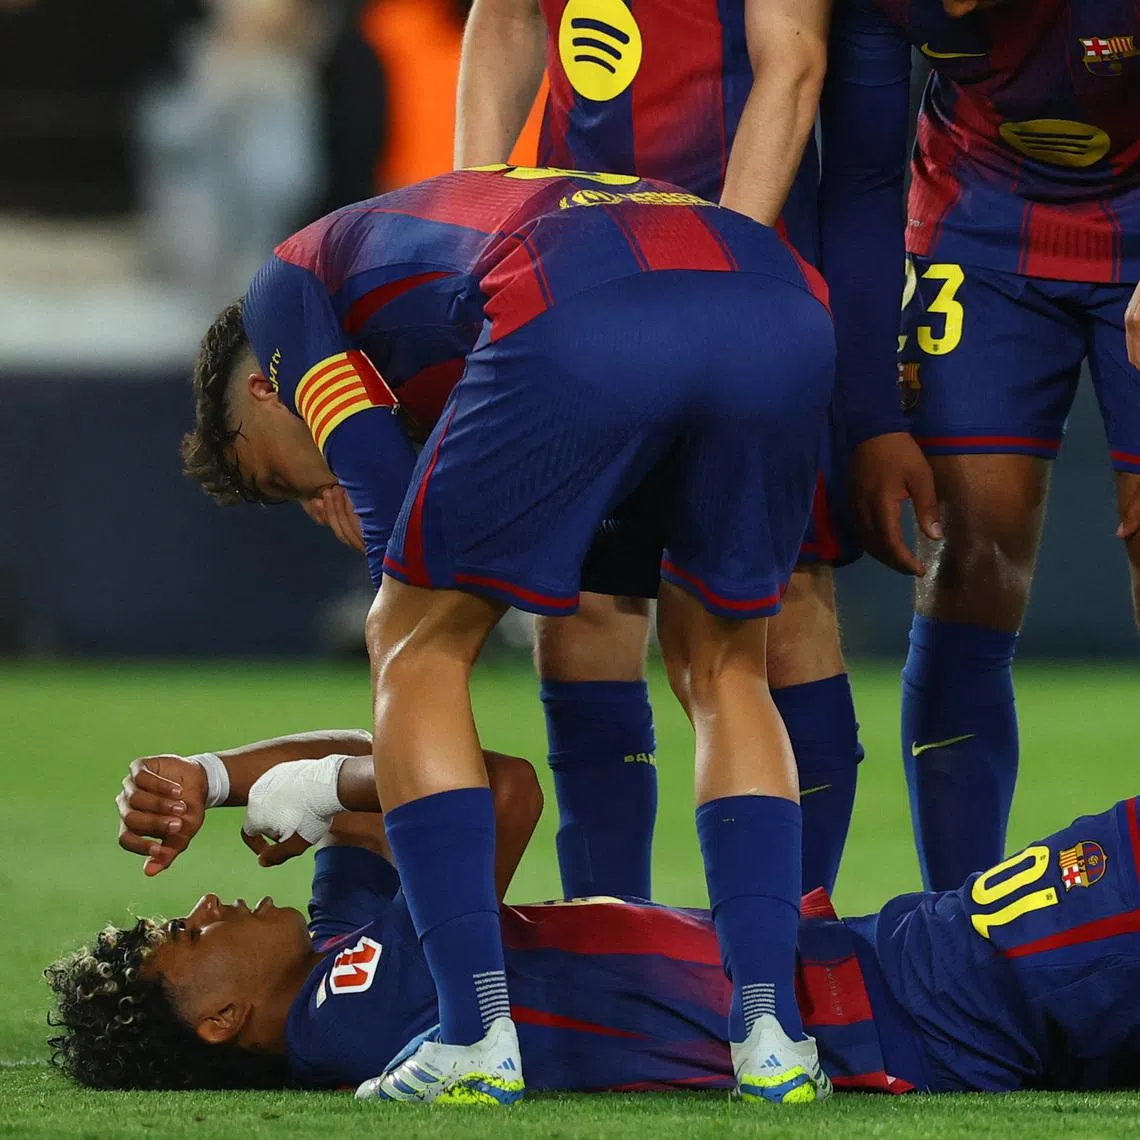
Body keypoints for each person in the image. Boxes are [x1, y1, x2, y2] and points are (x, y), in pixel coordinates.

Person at [179, 165, 836, 1104]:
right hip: (779, 299)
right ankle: (772, 1037)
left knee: (413, 642)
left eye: (283, 478)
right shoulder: (415, 302)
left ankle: (474, 1037)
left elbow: (370, 476)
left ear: (261, 391)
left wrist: (401, 614)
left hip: (586, 301)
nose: (310, 494)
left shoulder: (286, 287)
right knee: (725, 664)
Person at [51, 736, 1140, 1096]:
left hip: (888, 979)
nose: (201, 906)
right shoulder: (356, 1014)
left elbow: (418, 755)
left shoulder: (350, 960)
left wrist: (226, 776)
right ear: (219, 1021)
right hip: (910, 1000)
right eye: (184, 940)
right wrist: (332, 786)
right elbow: (499, 791)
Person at [453, 0, 863, 904]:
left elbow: (790, 68)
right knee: (585, 606)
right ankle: (612, 940)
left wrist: (722, 270)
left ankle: (798, 948)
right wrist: (478, 211)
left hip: (747, 255)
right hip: (577, 266)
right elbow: (510, 19)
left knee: (776, 600)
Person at [824, 0, 1140, 891]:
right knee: (966, 556)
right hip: (981, 213)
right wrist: (875, 413)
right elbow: (859, 180)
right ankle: (956, 932)